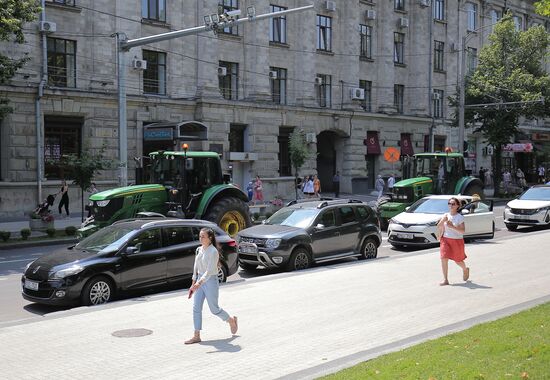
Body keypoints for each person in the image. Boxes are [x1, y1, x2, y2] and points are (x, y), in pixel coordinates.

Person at [185, 227, 238, 344]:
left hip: (210, 281)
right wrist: (193, 283)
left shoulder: (213, 251)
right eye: (199, 236)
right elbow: (196, 267)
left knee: (214, 309)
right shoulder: (199, 249)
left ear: (210, 238)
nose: (200, 238)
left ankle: (231, 320)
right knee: (196, 308)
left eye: (203, 236)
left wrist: (198, 284)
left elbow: (209, 272)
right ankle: (196, 335)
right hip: (200, 280)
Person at [437, 197, 469, 286]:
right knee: (443, 258)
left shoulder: (460, 217)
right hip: (445, 239)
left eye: (453, 204)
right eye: (449, 204)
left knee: (458, 260)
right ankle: (445, 279)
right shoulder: (445, 215)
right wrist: (442, 221)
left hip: (457, 241)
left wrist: (452, 227)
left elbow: (463, 231)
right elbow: (439, 226)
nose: (451, 205)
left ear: (457, 206)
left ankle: (465, 269)